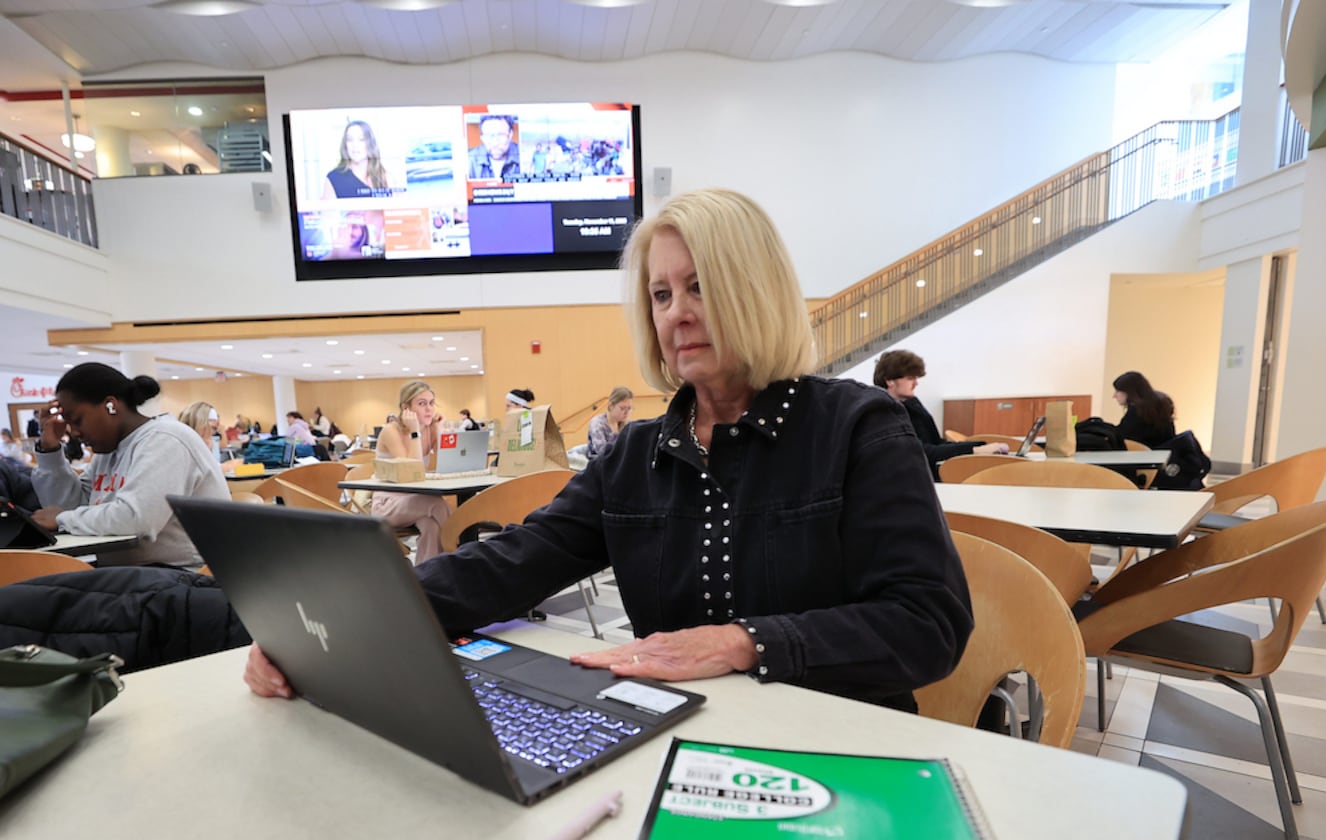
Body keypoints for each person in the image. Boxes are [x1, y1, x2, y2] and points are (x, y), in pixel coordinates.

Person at [246, 188, 973, 711]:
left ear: (759, 291)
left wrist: (744, 641)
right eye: (660, 294)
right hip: (677, 744)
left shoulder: (859, 428)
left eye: (701, 286)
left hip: (844, 751)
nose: (678, 312)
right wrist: (330, 619)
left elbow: (929, 623)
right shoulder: (636, 457)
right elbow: (511, 563)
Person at [31, 362, 230, 568]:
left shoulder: (165, 439)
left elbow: (136, 519)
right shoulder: (109, 451)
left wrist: (63, 518)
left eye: (77, 420)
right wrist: (49, 450)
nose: (73, 432)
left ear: (111, 405)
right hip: (135, 576)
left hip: (186, 577)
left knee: (33, 593)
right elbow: (68, 509)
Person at [872, 350, 1007, 476]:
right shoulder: (884, 413)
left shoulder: (912, 403)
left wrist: (979, 445)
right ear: (890, 381)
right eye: (910, 378)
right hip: (909, 481)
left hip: (927, 475)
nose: (916, 383)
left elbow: (936, 443)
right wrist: (974, 450)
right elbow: (920, 452)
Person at [369, 380, 455, 565]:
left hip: (417, 502)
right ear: (405, 407)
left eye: (431, 403)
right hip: (388, 503)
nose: (429, 409)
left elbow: (448, 464)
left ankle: (428, 577)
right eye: (422, 403)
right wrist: (415, 432)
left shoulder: (430, 428)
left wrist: (439, 432)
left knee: (432, 526)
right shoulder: (390, 431)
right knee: (437, 505)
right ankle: (460, 551)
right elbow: (410, 474)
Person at [1112, 370, 1176, 447]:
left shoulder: (1136, 412)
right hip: (1164, 456)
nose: (1114, 395)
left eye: (1117, 391)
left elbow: (1123, 436)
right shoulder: (1160, 406)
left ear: (1129, 391)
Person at [325, 119, 388, 198]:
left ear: (370, 143)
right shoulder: (333, 179)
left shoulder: (385, 177)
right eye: (350, 140)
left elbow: (396, 208)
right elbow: (328, 209)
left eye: (361, 139)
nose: (355, 145)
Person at [467, 114, 522, 181]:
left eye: (500, 135)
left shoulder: (524, 156)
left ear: (510, 135)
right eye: (489, 136)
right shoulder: (470, 160)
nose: (495, 143)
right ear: (482, 138)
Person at [586, 385, 634, 460]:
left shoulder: (627, 425)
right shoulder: (597, 423)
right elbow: (602, 452)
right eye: (622, 408)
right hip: (599, 465)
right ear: (611, 405)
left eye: (629, 408)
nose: (626, 413)